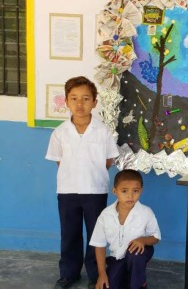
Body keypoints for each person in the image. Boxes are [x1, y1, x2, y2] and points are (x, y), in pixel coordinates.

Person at [46, 76, 120, 288]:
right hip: (67, 191)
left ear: (95, 102)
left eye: (86, 99)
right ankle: (69, 273)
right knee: (69, 233)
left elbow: (107, 160)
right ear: (66, 102)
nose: (80, 104)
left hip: (95, 190)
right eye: (74, 98)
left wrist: (91, 174)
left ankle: (96, 274)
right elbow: (60, 162)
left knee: (96, 235)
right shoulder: (60, 133)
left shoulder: (103, 131)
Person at [90, 169, 161, 289]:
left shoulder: (146, 212)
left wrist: (142, 240)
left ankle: (139, 284)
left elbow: (155, 237)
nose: (130, 196)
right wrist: (102, 274)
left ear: (141, 191)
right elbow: (99, 245)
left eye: (135, 191)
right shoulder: (105, 215)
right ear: (114, 191)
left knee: (134, 254)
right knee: (108, 285)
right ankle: (125, 276)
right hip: (117, 258)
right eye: (124, 191)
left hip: (139, 254)